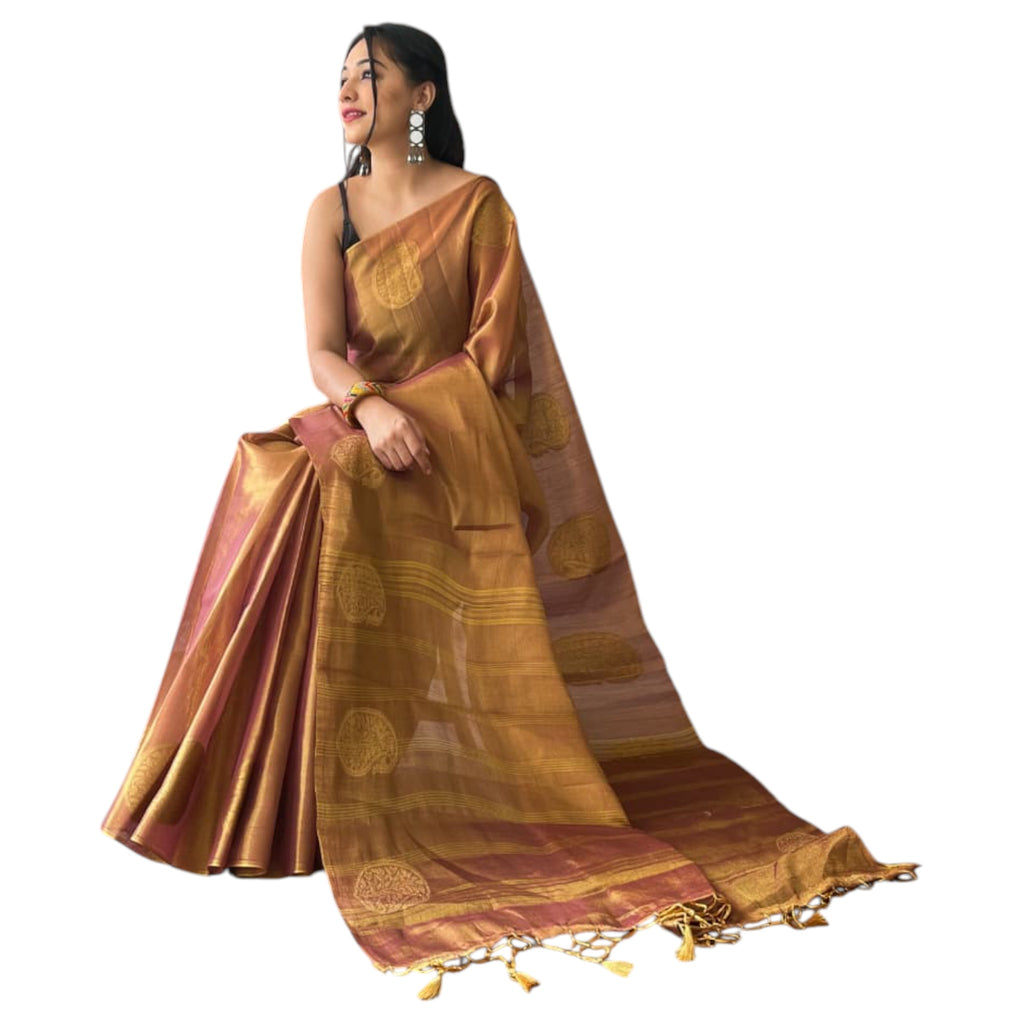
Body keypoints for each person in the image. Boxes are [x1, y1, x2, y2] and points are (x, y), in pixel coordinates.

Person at [100, 22, 919, 1000]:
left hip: (461, 433)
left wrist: (416, 419)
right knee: (274, 482)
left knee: (356, 490)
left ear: (423, 97)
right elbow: (321, 349)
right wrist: (372, 410)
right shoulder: (332, 209)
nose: (348, 91)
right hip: (366, 422)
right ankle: (273, 804)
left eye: (370, 75)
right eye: (341, 77)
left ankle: (424, 800)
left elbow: (495, 354)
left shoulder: (477, 203)